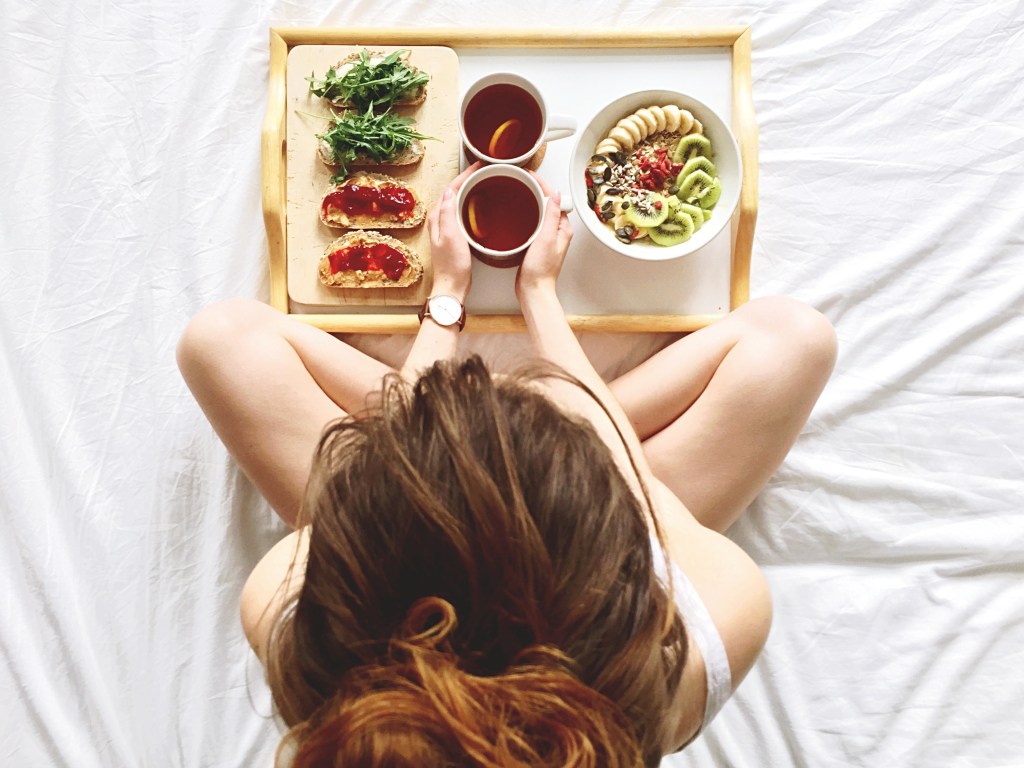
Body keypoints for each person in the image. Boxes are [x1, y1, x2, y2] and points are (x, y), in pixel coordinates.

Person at [176, 164, 836, 767]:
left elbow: (389, 463)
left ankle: (512, 413)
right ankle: (526, 410)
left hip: (468, 489)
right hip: (586, 519)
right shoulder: (699, 639)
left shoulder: (291, 619)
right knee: (794, 341)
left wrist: (447, 300)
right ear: (614, 536)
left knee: (220, 340)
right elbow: (621, 468)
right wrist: (540, 298)